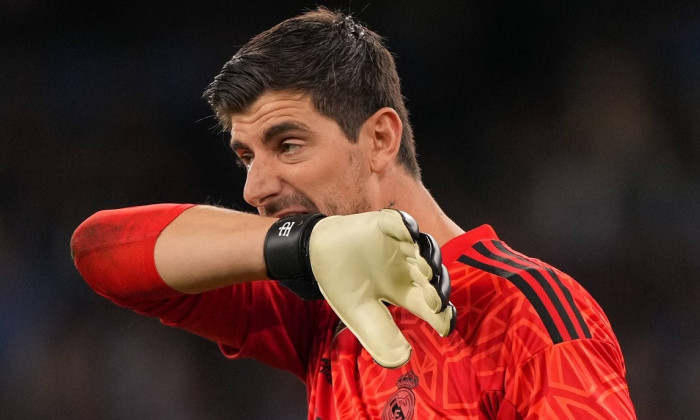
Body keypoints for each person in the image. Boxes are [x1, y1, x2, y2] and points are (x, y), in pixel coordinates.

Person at [70, 7, 636, 419]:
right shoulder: (319, 303)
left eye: (288, 145)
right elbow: (101, 251)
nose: (255, 188)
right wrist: (301, 246)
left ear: (381, 139)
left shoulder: (526, 317)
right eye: (246, 157)